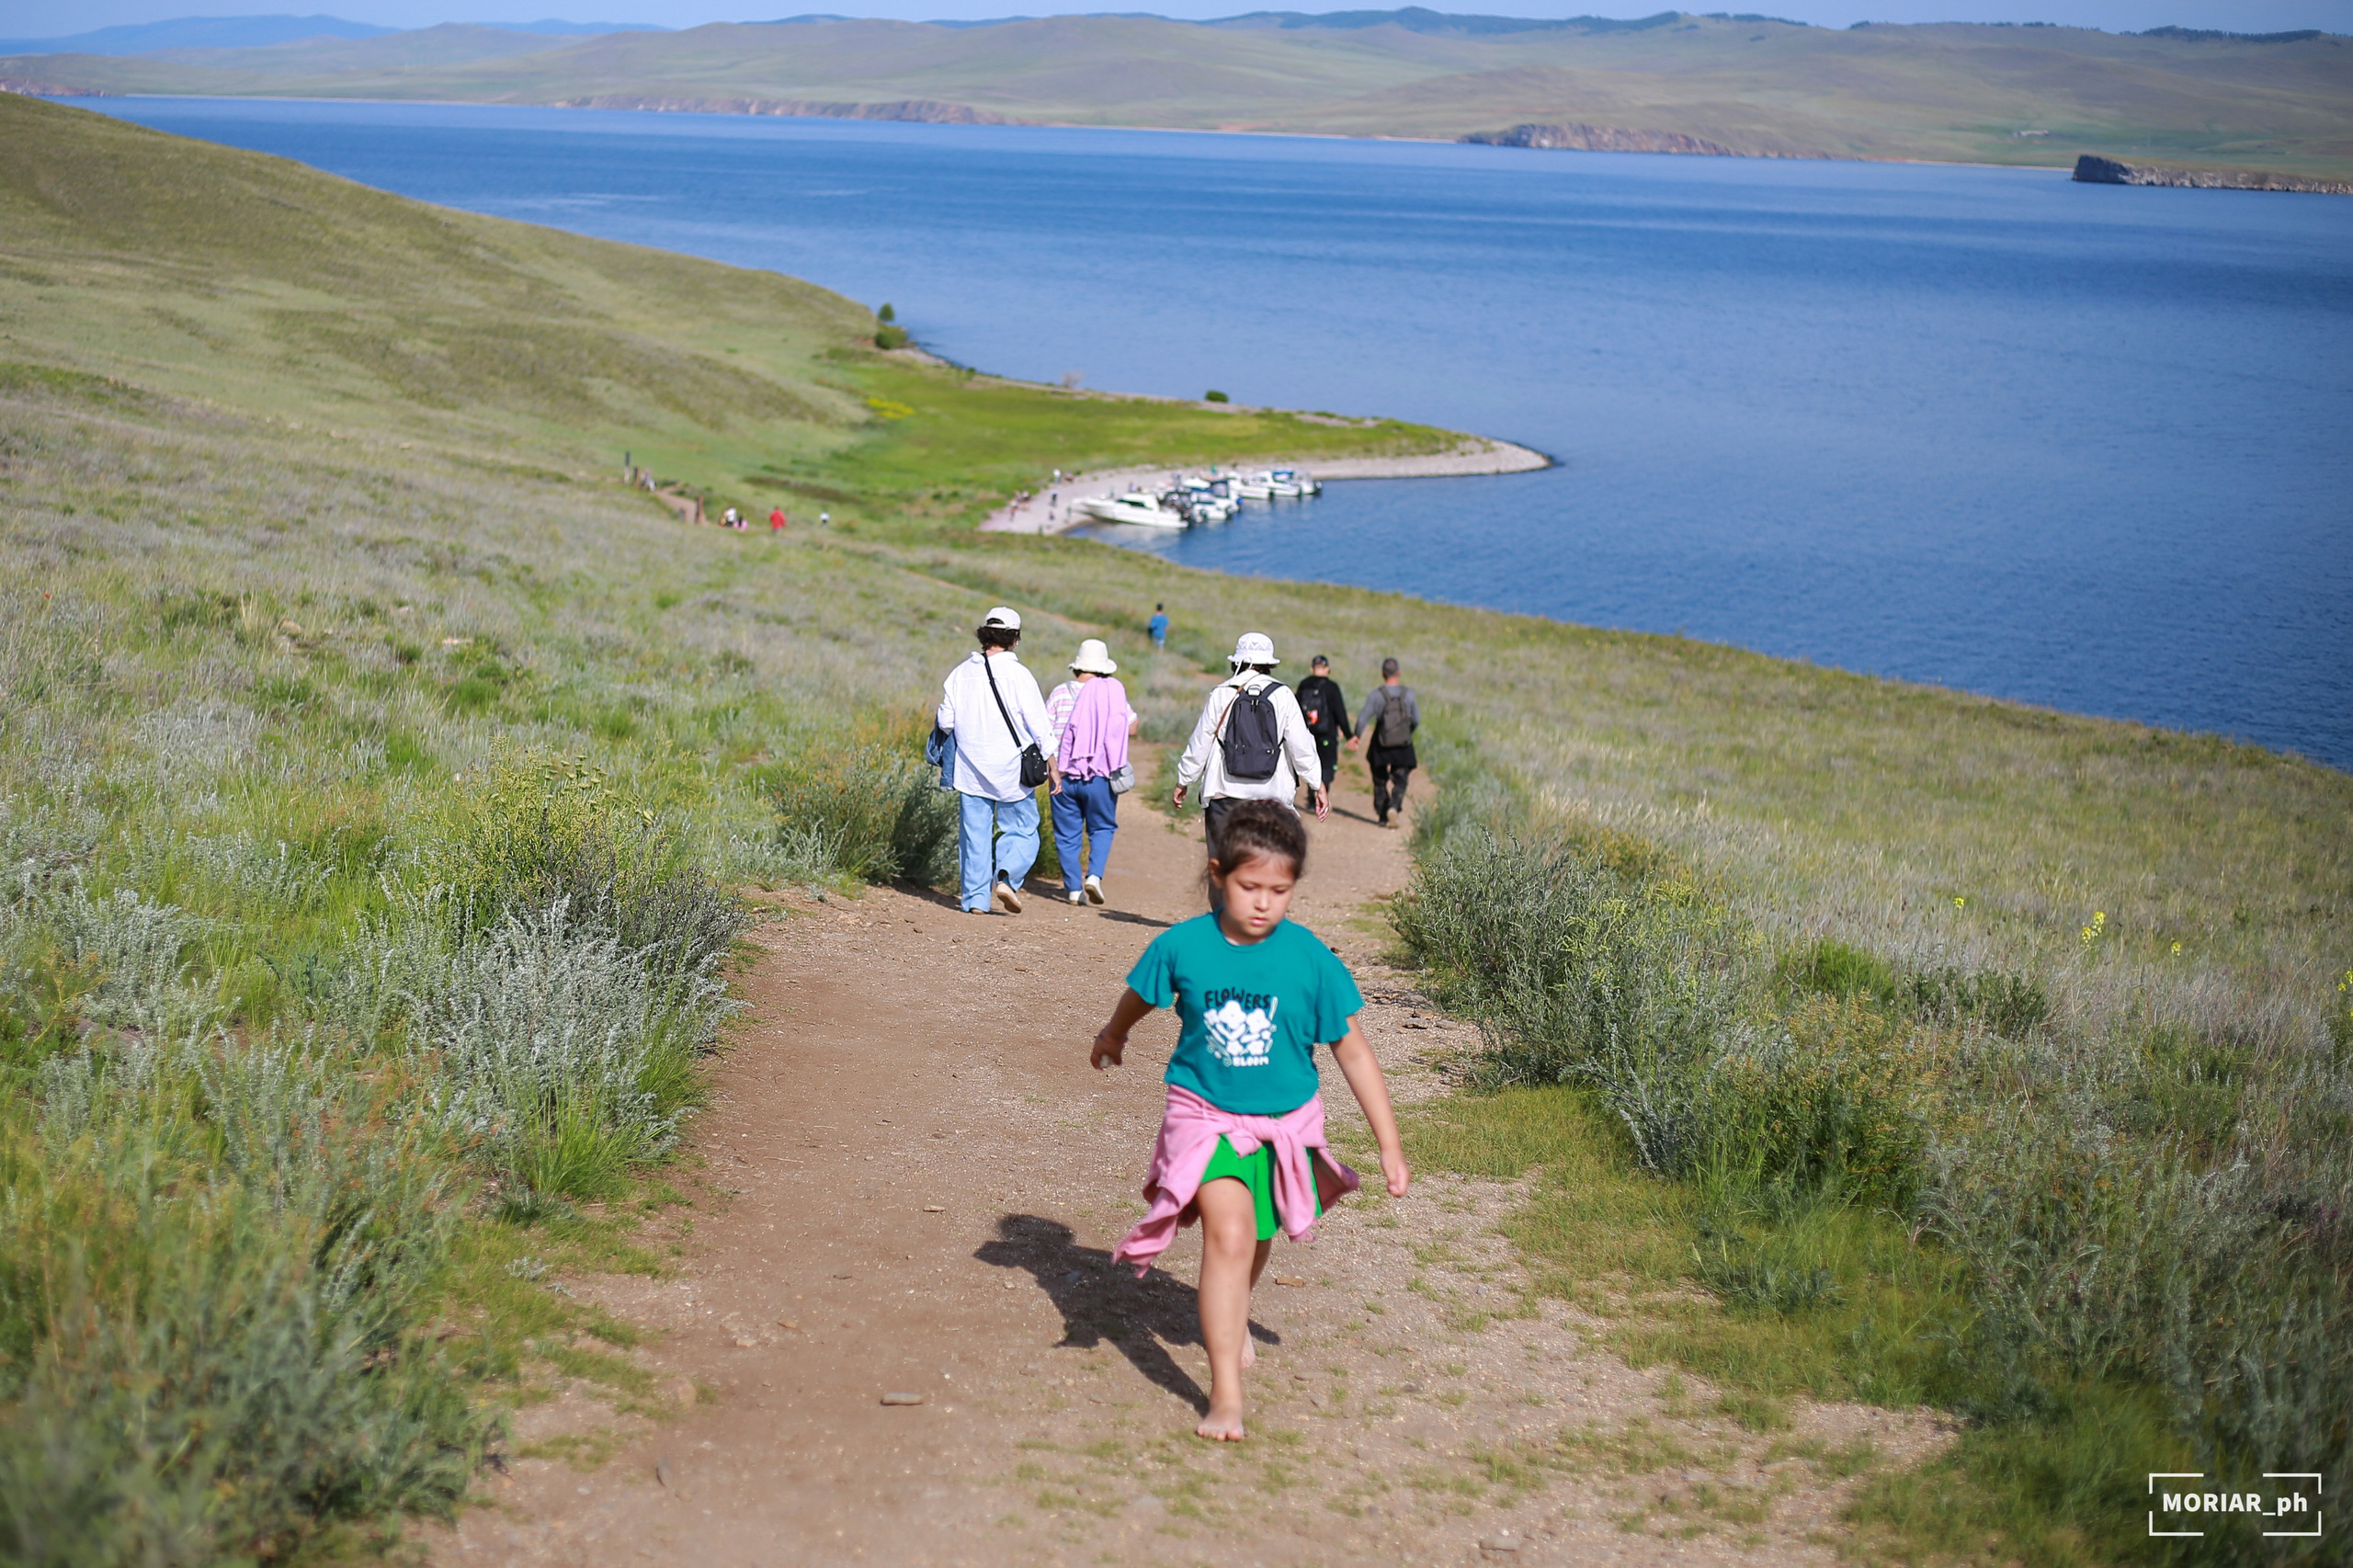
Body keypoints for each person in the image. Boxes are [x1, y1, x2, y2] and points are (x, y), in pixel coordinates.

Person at [1093, 801, 1410, 1441]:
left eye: (1279, 890)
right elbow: (1142, 995)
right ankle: (1226, 1395)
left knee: (1256, 1235)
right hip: (1204, 1117)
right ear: (1218, 873)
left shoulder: (1310, 958)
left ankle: (1233, 1310)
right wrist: (1114, 1032)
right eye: (1249, 887)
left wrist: (1389, 1143)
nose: (1263, 903)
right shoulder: (1183, 945)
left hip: (1284, 1126)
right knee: (1230, 1235)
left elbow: (1352, 1049)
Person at [936, 608, 1055, 915]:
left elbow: (946, 720)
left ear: (984, 634)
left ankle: (975, 900)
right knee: (1023, 828)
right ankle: (1006, 876)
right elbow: (1039, 724)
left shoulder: (961, 673)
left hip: (970, 767)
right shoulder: (1019, 675)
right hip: (1012, 770)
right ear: (1014, 638)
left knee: (974, 835)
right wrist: (1053, 764)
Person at [1173, 633, 1324, 868]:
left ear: (1237, 662)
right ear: (1269, 664)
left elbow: (1200, 741)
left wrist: (1184, 779)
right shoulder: (1283, 695)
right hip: (1270, 799)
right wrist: (1317, 784)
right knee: (1263, 870)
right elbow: (1301, 747)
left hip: (1223, 795)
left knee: (1222, 870)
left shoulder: (1222, 692)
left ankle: (1224, 905)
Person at [1044, 639, 1140, 905]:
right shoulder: (1112, 693)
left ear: (1078, 667)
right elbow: (1132, 727)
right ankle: (1094, 876)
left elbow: (1044, 731)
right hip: (1100, 776)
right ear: (1104, 669)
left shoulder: (1060, 693)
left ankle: (1073, 889)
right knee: (1102, 828)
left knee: (1066, 834)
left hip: (1062, 775)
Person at [1349, 657, 1420, 828]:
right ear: (1399, 673)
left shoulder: (1377, 695)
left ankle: (1382, 814)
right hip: (1402, 743)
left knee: (1380, 780)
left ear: (1383, 674)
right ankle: (1394, 806)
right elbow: (1416, 719)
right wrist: (1406, 733)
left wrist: (1356, 736)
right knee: (1401, 779)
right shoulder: (1408, 694)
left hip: (1381, 743)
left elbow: (1362, 719)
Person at [1292, 654, 1352, 796]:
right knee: (1327, 765)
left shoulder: (1304, 685)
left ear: (1312, 669)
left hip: (1306, 733)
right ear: (1327, 669)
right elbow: (1340, 712)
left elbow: (1296, 709)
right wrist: (1349, 735)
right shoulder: (1331, 687)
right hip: (1327, 733)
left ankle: (1312, 793)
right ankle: (1321, 793)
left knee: (1310, 763)